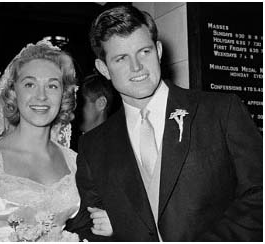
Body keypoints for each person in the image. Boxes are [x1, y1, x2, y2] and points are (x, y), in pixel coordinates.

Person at [65, 5, 263, 241]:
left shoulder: (221, 111)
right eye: (121, 58)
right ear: (104, 69)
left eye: (144, 52)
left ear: (158, 50)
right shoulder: (93, 146)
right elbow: (88, 228)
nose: (136, 67)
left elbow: (259, 195)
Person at [0, 37, 112, 241]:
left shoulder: (75, 162)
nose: (41, 96)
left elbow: (88, 225)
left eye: (52, 86)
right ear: (14, 92)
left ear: (64, 95)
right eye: (30, 84)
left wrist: (111, 224)